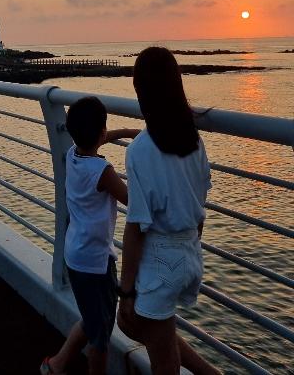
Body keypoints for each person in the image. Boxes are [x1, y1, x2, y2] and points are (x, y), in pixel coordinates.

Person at [117, 47, 221, 375]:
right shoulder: (194, 141)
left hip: (160, 258)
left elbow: (135, 228)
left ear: (140, 92)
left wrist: (126, 290)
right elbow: (200, 205)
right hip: (190, 252)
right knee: (153, 332)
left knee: (161, 360)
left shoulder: (140, 151)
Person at [41, 95, 140, 375]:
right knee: (101, 336)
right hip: (96, 262)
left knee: (92, 319)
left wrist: (131, 134)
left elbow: (99, 140)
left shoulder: (74, 155)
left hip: (75, 254)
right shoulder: (102, 171)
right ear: (101, 132)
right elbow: (131, 199)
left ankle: (57, 364)